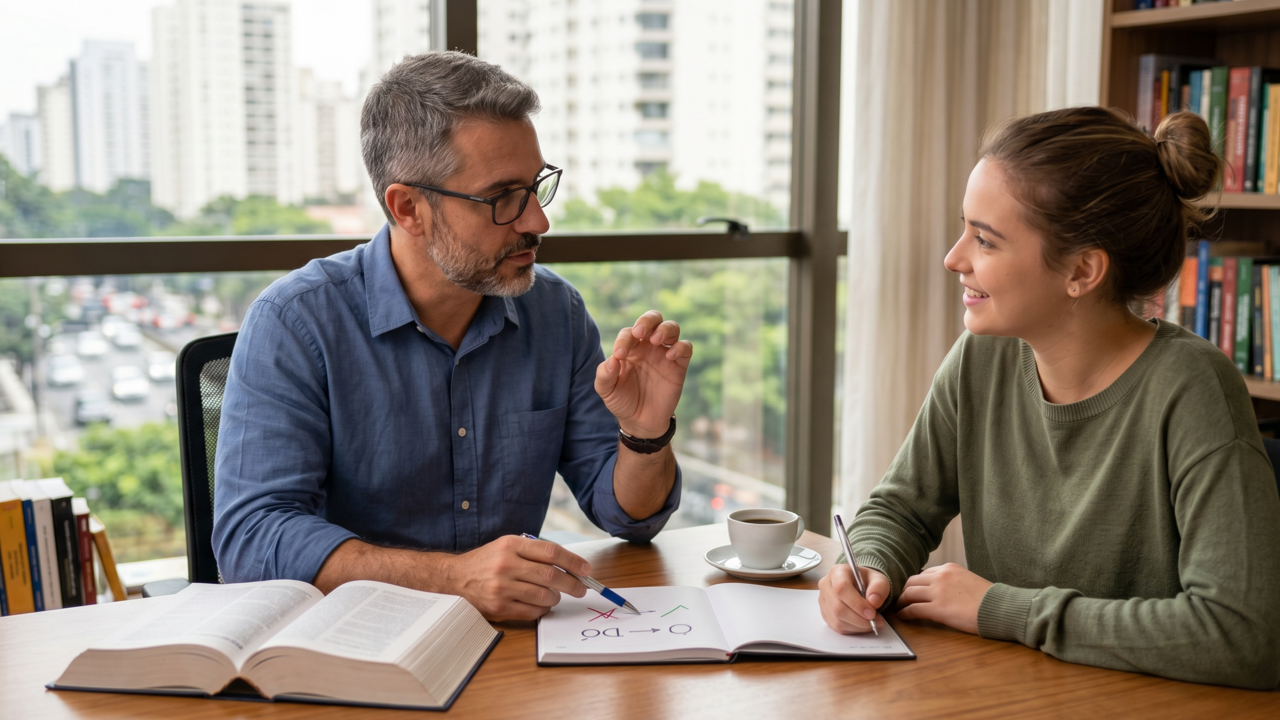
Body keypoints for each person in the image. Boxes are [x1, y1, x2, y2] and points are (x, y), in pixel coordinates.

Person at [213, 52, 692, 621]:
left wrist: (644, 435)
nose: (538, 221)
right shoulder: (296, 323)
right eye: (502, 198)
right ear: (408, 207)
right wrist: (453, 578)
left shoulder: (554, 312)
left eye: (537, 186)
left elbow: (627, 516)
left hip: (513, 649)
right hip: (354, 647)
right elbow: (252, 538)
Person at [819, 107, 1280, 689]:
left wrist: (1004, 610)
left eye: (984, 240)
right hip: (1012, 692)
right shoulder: (979, 360)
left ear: (1082, 270)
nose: (954, 258)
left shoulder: (1192, 390)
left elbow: (1243, 636)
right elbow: (901, 510)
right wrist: (866, 566)